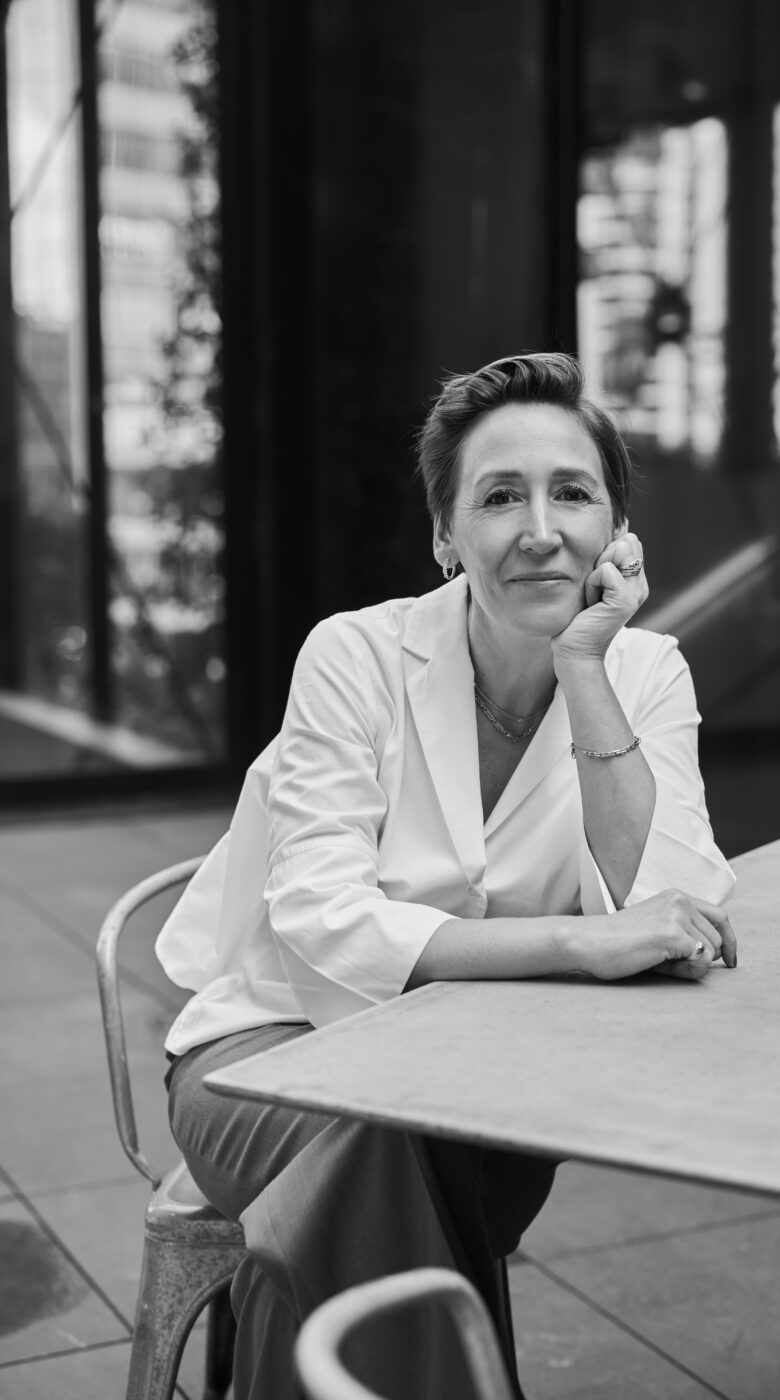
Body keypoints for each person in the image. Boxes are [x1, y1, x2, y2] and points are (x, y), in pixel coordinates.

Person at [157, 351, 737, 1399]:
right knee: (384, 1149)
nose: (539, 527)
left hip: (486, 1069)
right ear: (444, 535)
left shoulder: (645, 670)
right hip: (268, 1056)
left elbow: (673, 902)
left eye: (572, 492)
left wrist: (583, 670)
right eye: (498, 495)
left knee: (403, 1158)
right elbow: (322, 920)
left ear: (614, 530)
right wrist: (571, 942)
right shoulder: (354, 655)